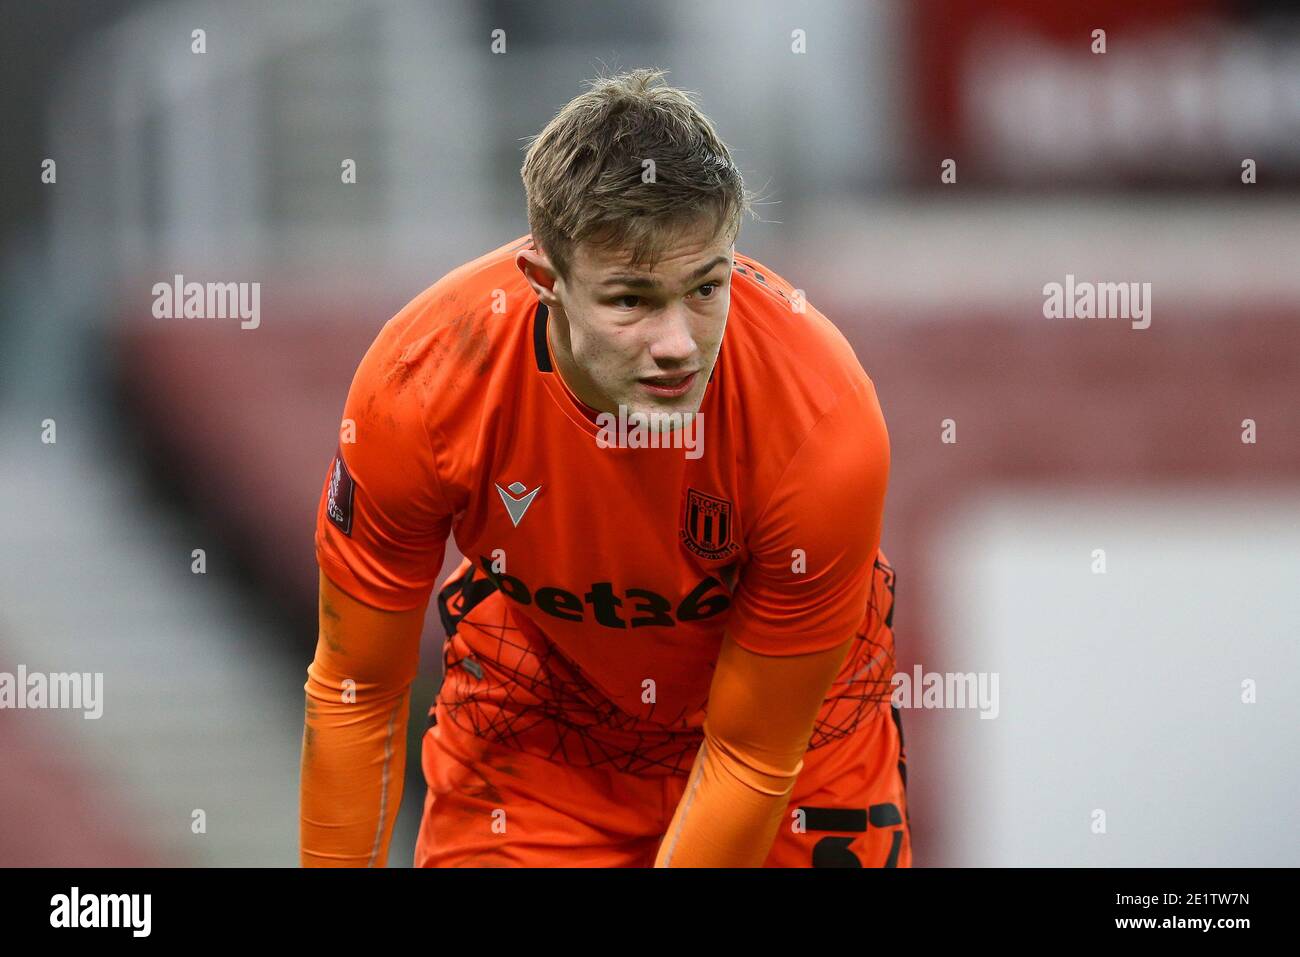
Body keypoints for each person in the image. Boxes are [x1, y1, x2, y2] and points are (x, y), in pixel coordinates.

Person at [300, 68, 908, 867]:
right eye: (630, 300)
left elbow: (752, 755)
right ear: (545, 282)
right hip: (542, 726)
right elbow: (357, 690)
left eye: (705, 287)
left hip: (794, 750)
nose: (678, 344)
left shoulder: (821, 419)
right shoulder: (420, 386)